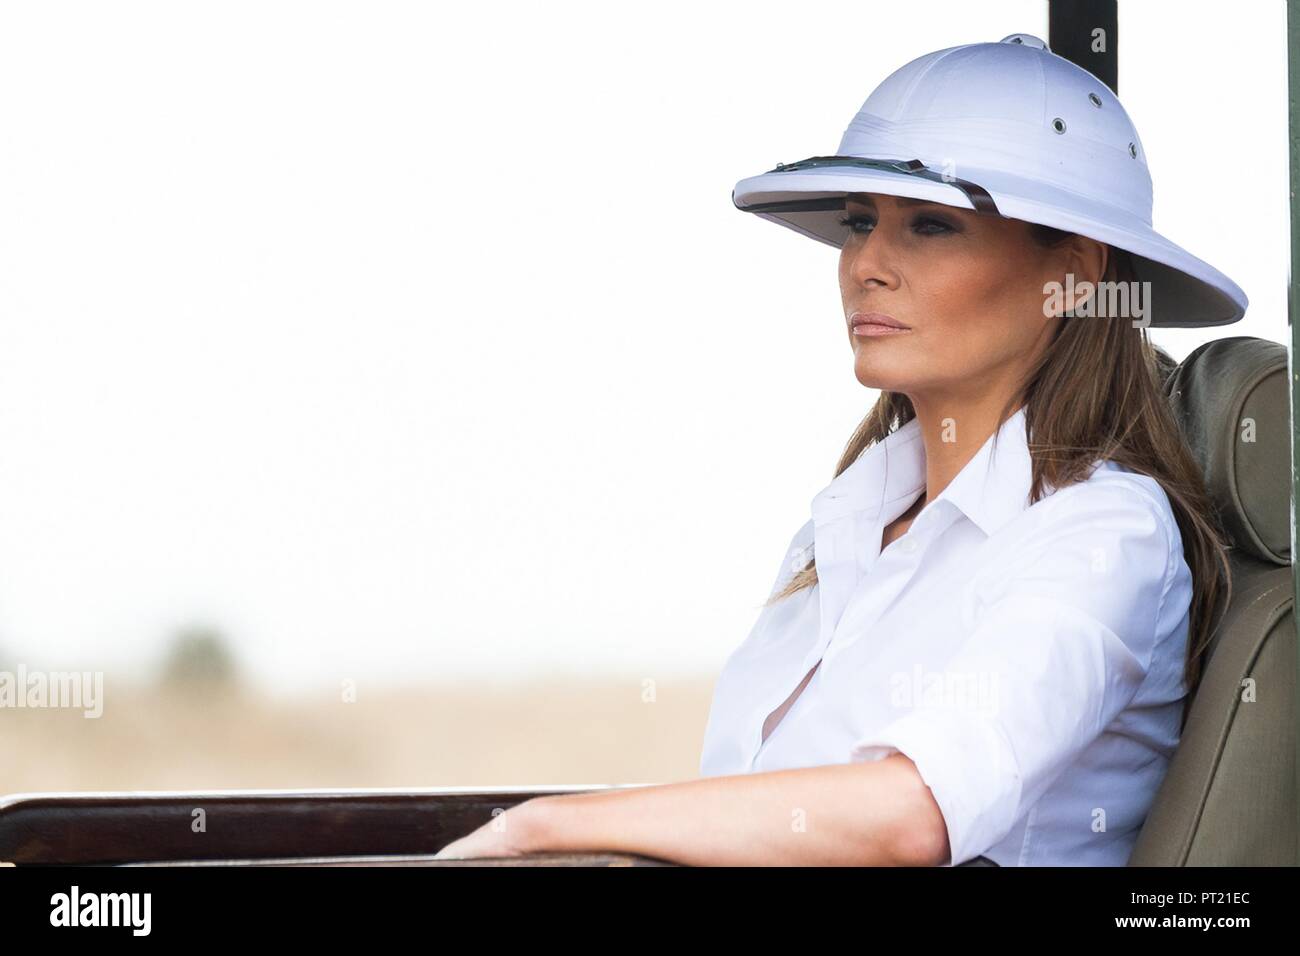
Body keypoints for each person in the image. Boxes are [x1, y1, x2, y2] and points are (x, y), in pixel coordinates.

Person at [432, 33, 1245, 866]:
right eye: (861, 223)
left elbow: (911, 814)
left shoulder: (1104, 535)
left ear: (1071, 274)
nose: (866, 265)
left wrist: (544, 825)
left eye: (930, 226)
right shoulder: (855, 513)